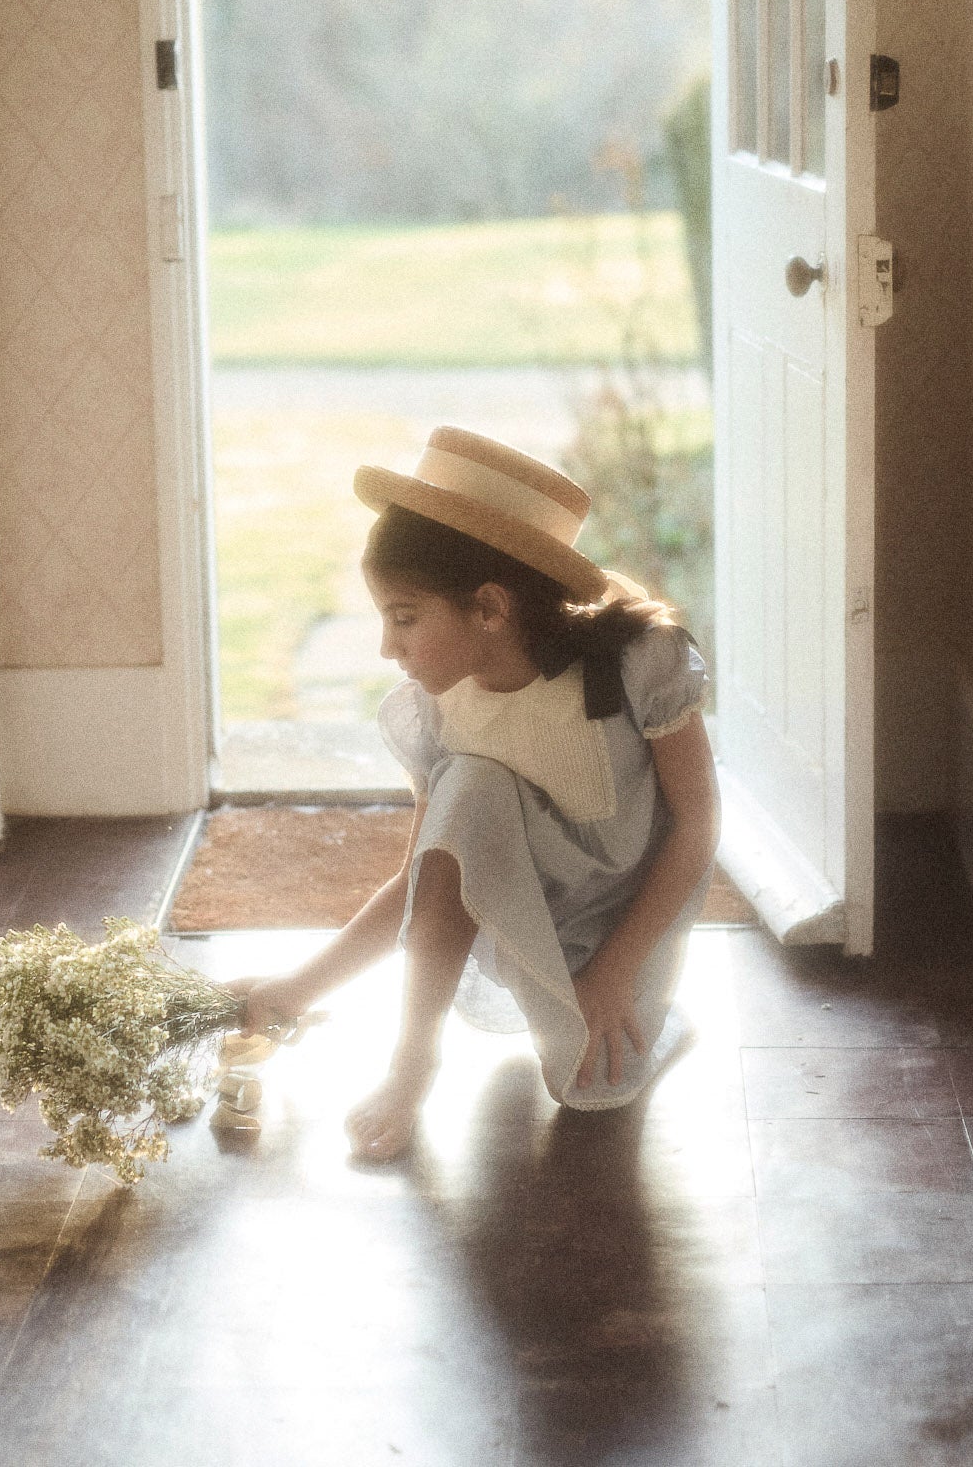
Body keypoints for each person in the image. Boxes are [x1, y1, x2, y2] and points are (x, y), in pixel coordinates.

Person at [231, 426, 720, 1161]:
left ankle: (658, 1012)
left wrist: (616, 972)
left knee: (587, 1090)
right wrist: (298, 989)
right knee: (470, 786)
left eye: (403, 617)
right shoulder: (441, 705)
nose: (388, 648)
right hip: (521, 915)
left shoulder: (638, 666)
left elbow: (699, 826)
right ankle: (413, 1063)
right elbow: (422, 879)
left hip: (626, 920)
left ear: (489, 607)